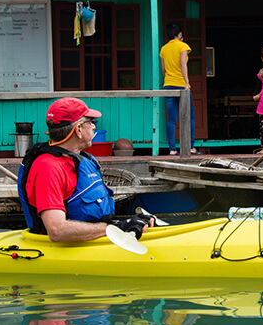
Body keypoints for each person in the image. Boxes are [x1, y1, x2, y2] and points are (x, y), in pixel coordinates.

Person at [17, 97, 152, 242]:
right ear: (79, 129)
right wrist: (114, 228)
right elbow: (56, 230)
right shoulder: (48, 168)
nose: (94, 127)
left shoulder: (82, 159)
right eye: (91, 122)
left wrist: (129, 222)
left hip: (93, 240)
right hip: (60, 250)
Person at [160, 23, 201, 156]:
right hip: (181, 85)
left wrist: (169, 80)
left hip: (168, 85)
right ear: (180, 34)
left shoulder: (164, 49)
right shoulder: (183, 46)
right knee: (190, 117)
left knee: (172, 119)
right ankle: (190, 147)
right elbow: (183, 64)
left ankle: (172, 149)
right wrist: (187, 82)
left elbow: (164, 70)